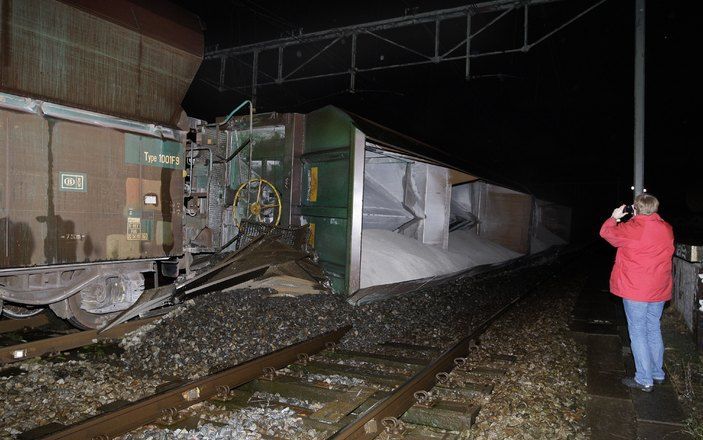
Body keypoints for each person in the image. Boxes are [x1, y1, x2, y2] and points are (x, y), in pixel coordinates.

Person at [599, 194, 674, 392]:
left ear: (636, 209)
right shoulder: (666, 228)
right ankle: (657, 373)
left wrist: (615, 217)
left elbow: (606, 232)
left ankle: (644, 378)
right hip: (658, 288)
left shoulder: (632, 228)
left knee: (638, 331)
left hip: (636, 289)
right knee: (653, 328)